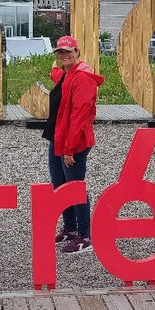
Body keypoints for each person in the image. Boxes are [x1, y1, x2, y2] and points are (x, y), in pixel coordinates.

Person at [43, 35, 104, 255]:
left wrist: (69, 148)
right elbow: (61, 78)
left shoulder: (83, 78)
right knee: (60, 188)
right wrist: (54, 71)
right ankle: (69, 229)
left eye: (69, 51)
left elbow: (79, 115)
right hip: (58, 138)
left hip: (73, 143)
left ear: (77, 52)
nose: (64, 55)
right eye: (60, 52)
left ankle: (84, 236)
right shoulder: (67, 75)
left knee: (75, 188)